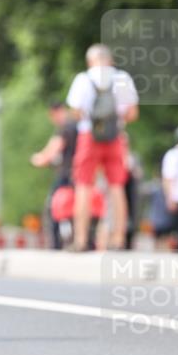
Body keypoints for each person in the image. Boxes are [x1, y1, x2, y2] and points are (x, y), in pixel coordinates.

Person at [66, 44, 139, 250]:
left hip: (89, 136)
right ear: (110, 60)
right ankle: (118, 239)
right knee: (116, 187)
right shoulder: (122, 78)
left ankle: (80, 239)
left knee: (84, 185)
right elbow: (132, 113)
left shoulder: (83, 79)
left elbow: (76, 111)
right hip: (115, 137)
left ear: (91, 60)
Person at [30, 101, 78, 248]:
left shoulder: (65, 128)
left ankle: (55, 245)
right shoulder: (78, 125)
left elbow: (51, 151)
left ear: (55, 112)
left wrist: (38, 159)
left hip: (67, 175)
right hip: (82, 176)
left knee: (53, 206)